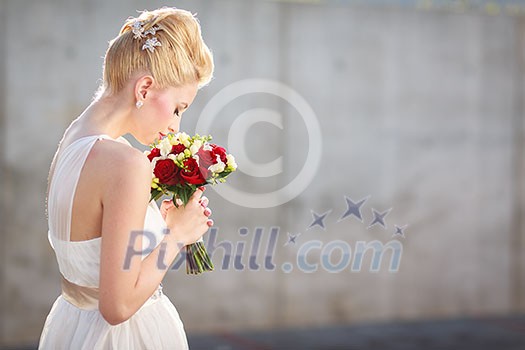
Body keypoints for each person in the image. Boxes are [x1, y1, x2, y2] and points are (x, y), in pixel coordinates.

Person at [38, 7, 214, 349]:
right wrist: (176, 236)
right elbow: (117, 307)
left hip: (73, 328)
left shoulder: (74, 138)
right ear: (145, 88)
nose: (177, 125)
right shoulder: (126, 164)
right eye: (179, 107)